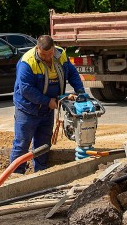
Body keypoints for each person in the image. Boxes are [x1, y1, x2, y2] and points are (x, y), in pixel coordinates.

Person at [10, 34, 86, 173]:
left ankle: (41, 171)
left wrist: (80, 90)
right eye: (43, 54)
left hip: (47, 109)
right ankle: (16, 175)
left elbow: (72, 73)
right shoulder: (27, 62)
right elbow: (26, 89)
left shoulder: (61, 54)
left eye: (50, 53)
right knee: (22, 144)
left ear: (53, 48)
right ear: (37, 48)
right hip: (27, 109)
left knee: (43, 143)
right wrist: (47, 101)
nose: (47, 57)